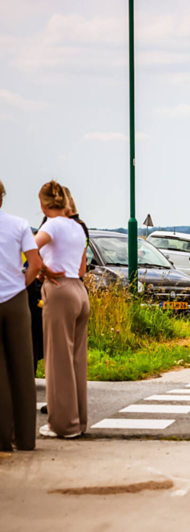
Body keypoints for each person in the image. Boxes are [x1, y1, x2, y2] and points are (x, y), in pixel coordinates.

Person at [34, 181, 89, 438]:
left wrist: (42, 270)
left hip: (59, 290)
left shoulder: (52, 225)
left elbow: (30, 250)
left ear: (44, 205)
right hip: (80, 291)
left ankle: (63, 425)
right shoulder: (77, 228)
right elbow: (81, 269)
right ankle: (78, 422)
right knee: (76, 360)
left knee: (58, 360)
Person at [1, 179, 42, 452]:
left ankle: (3, 439)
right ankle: (26, 439)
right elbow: (36, 263)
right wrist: (20, 284)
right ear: (2, 197)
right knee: (24, 369)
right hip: (15, 300)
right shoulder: (19, 224)